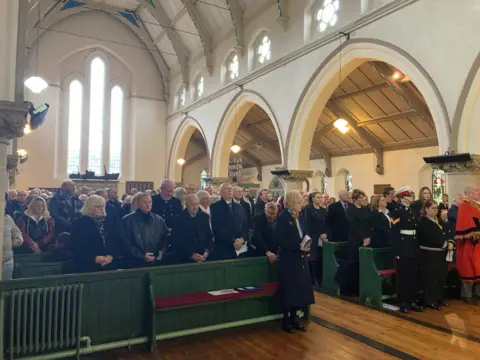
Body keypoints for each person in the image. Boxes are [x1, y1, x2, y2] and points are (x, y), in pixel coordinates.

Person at [274, 190, 314, 333]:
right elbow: (279, 239)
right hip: (289, 259)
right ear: (290, 203)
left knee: (299, 290)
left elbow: (304, 233)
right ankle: (286, 321)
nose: (301, 205)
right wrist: (296, 247)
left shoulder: (300, 216)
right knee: (289, 290)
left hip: (300, 258)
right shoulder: (282, 218)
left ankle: (295, 318)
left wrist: (306, 244)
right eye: (298, 202)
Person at [390, 186, 423, 313]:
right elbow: (394, 232)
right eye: (409, 196)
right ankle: (403, 302)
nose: (412, 198)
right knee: (403, 275)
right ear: (402, 198)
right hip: (403, 246)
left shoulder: (412, 211)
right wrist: (397, 251)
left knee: (413, 274)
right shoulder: (397, 211)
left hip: (412, 245)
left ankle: (411, 300)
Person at [70, 195, 124, 273]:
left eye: (103, 206)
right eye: (97, 207)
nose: (101, 209)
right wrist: (94, 258)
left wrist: (111, 255)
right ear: (89, 207)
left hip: (109, 263)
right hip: (87, 265)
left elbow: (118, 241)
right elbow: (76, 245)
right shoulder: (79, 223)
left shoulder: (110, 222)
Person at [417, 200, 455, 309]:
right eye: (433, 208)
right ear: (426, 209)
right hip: (429, 254)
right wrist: (445, 244)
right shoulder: (423, 221)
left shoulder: (438, 220)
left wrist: (451, 242)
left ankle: (439, 298)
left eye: (436, 208)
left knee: (441, 277)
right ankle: (430, 300)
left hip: (441, 254)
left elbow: (448, 231)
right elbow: (430, 237)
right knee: (431, 278)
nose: (435, 210)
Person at [337, 189, 371, 296]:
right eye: (360, 198)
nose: (362, 199)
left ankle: (360, 287)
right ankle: (350, 288)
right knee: (353, 264)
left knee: (362, 265)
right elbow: (353, 226)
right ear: (355, 199)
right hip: (354, 240)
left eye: (363, 197)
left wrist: (368, 237)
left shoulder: (365, 209)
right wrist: (362, 238)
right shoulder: (351, 210)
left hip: (365, 239)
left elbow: (368, 224)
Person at [122, 192, 168, 268]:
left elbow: (164, 238)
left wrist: (160, 253)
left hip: (155, 261)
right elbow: (126, 242)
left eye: (150, 202)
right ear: (138, 204)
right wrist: (142, 256)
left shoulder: (158, 219)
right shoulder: (127, 220)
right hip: (135, 263)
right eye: (145, 202)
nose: (148, 205)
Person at [455, 184, 480, 304]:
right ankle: (467, 296)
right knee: (468, 269)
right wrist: (474, 232)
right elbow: (465, 223)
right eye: (476, 191)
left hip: (478, 244)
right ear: (469, 193)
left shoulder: (477, 205)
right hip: (469, 244)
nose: (478, 192)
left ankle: (478, 295)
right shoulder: (465, 205)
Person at [210, 183, 248, 260]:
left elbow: (245, 225)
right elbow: (217, 227)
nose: (229, 190)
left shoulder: (239, 206)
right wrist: (233, 241)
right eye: (226, 189)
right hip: (224, 246)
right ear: (220, 192)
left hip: (241, 246)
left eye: (231, 189)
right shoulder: (215, 207)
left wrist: (242, 239)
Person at [174, 194, 213, 263]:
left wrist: (207, 251)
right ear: (186, 205)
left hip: (204, 256)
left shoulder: (204, 216)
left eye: (197, 204)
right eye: (192, 205)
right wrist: (191, 254)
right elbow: (178, 240)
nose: (195, 207)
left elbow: (209, 236)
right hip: (185, 258)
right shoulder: (178, 219)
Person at [304, 192, 329, 286]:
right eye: (318, 197)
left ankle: (321, 278)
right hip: (313, 237)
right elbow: (308, 225)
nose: (320, 199)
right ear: (313, 199)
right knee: (314, 259)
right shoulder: (308, 210)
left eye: (320, 197)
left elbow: (327, 223)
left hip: (323, 237)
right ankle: (314, 279)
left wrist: (326, 233)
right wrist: (318, 234)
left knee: (322, 258)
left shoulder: (324, 210)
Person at [2, 213, 23, 280]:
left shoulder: (7, 218)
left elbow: (18, 234)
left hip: (7, 263)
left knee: (5, 288)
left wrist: (17, 240)